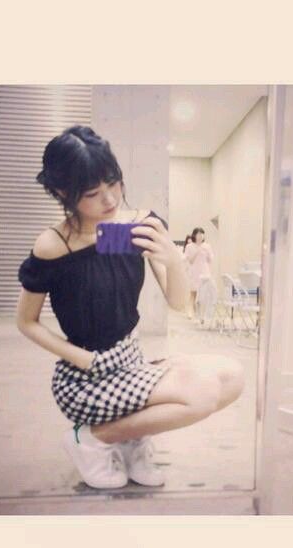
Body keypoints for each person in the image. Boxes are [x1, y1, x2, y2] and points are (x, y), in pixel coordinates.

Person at [16, 126, 245, 490]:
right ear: (63, 193)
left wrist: (173, 259)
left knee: (232, 377)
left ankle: (130, 441)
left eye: (114, 183)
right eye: (92, 193)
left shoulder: (132, 228)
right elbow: (26, 322)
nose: (110, 200)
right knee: (200, 395)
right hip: (85, 377)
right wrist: (83, 359)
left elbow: (177, 302)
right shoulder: (55, 244)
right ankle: (92, 439)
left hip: (130, 361)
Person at [183, 227, 215, 319]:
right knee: (193, 293)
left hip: (204, 271)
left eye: (202, 234)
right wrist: (197, 251)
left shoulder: (207, 246)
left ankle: (201, 315)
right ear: (194, 235)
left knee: (203, 294)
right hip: (194, 271)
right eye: (198, 234)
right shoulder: (189, 246)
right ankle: (190, 312)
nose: (200, 236)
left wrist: (208, 252)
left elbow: (210, 260)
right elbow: (190, 261)